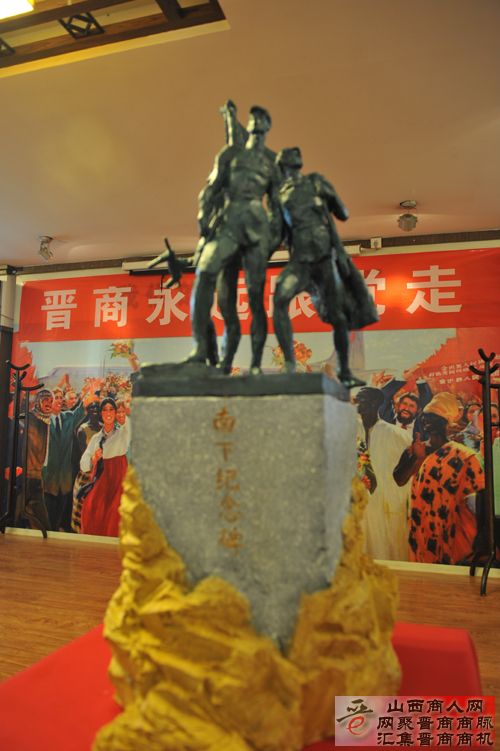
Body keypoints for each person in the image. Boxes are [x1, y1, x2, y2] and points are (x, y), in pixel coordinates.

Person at [187, 102, 282, 373]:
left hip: (256, 231)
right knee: (208, 278)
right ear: (248, 128)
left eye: (261, 129)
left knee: (255, 298)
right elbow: (212, 187)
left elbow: (278, 208)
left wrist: (272, 241)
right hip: (228, 225)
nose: (256, 132)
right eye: (253, 127)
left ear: (267, 130)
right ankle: (202, 350)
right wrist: (204, 215)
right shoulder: (230, 154)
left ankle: (254, 364)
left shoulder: (273, 162)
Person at [273, 147, 377, 387]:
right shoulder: (279, 196)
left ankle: (345, 371)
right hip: (299, 260)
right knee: (280, 300)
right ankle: (290, 364)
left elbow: (343, 213)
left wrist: (329, 198)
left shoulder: (316, 182)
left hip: (324, 257)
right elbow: (277, 233)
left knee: (338, 315)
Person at [393, 392, 485, 565]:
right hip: (421, 532)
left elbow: (479, 502)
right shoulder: (416, 449)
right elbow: (399, 479)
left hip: (452, 536)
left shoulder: (463, 456)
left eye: (434, 418)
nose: (427, 421)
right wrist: (416, 458)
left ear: (446, 422)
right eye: (425, 417)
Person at [355, 387, 412, 560]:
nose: (357, 403)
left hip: (387, 509)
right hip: (358, 508)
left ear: (375, 403)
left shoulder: (397, 435)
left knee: (386, 554)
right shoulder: (350, 432)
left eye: (362, 399)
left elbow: (408, 475)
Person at [79, 397, 130, 537]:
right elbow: (84, 464)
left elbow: (129, 427)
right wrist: (93, 459)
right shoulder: (96, 438)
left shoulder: (123, 433)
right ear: (101, 413)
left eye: (111, 409)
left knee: (115, 518)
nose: (108, 413)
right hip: (101, 483)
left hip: (118, 483)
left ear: (115, 412)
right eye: (105, 410)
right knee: (92, 512)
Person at [43, 387, 85, 531]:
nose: (59, 400)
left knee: (58, 519)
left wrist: (88, 392)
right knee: (47, 520)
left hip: (64, 480)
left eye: (61, 397)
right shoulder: (42, 420)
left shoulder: (68, 417)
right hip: (48, 480)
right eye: (56, 397)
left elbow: (81, 409)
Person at [23, 389, 53, 533]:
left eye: (51, 401)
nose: (48, 403)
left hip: (37, 477)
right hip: (24, 476)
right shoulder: (28, 419)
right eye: (45, 400)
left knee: (41, 520)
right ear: (37, 402)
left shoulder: (46, 421)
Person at [71, 399, 102, 533]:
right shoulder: (82, 430)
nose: (95, 411)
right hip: (87, 473)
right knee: (82, 507)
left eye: (97, 408)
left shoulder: (103, 428)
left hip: (100, 473)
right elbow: (84, 454)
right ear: (87, 411)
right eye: (92, 408)